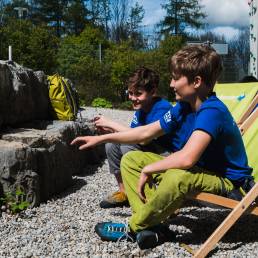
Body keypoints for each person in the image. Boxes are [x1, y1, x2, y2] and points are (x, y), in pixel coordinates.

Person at [71, 45, 253, 249]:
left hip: (229, 184)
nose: (171, 83)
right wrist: (101, 139)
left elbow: (187, 159)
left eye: (176, 78)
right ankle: (154, 227)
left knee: (178, 175)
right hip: (201, 172)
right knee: (131, 160)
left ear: (196, 82)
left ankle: (134, 227)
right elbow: (146, 132)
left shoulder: (212, 111)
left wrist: (150, 168)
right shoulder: (183, 108)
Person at [93, 67, 172, 209]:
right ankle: (125, 192)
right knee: (112, 143)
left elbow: (142, 139)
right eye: (130, 93)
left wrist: (111, 123)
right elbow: (132, 133)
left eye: (138, 94)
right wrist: (110, 131)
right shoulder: (141, 109)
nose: (133, 98)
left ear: (153, 91)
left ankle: (150, 196)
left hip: (168, 155)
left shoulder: (162, 108)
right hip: (152, 149)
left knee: (126, 145)